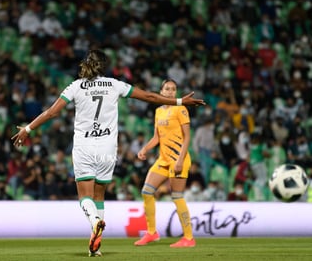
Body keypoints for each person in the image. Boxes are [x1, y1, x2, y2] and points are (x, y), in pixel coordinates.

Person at [11, 49, 205, 256]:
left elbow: (52, 112)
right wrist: (178, 101)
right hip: (108, 149)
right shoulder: (115, 84)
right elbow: (148, 96)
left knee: (85, 196)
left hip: (84, 148)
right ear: (104, 66)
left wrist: (28, 129)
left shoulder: (75, 86)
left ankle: (95, 222)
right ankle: (96, 247)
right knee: (99, 195)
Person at [134, 79, 196, 248]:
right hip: (163, 159)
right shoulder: (158, 111)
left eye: (173, 89)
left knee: (177, 196)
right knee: (147, 192)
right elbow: (157, 137)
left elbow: (187, 137)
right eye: (167, 89)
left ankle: (189, 238)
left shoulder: (180, 109)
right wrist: (145, 149)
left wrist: (180, 160)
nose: (170, 91)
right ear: (161, 91)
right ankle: (152, 233)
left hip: (178, 159)